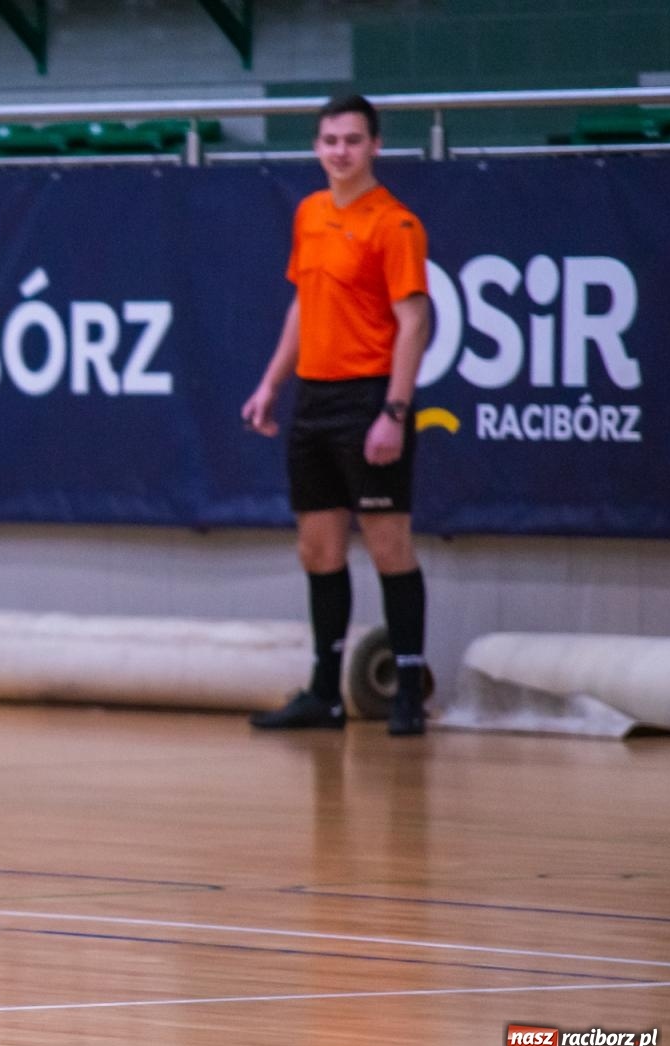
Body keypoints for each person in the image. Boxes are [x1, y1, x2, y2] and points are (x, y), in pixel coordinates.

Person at [240, 94, 432, 737]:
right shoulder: (310, 213)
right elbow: (303, 303)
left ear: (375, 145)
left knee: (386, 542)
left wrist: (395, 413)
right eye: (329, 141)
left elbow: (414, 323)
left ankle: (408, 689)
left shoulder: (395, 225)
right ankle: (324, 694)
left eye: (352, 140)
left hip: (369, 398)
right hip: (314, 401)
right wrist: (271, 382)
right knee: (317, 549)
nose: (340, 152)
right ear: (317, 147)